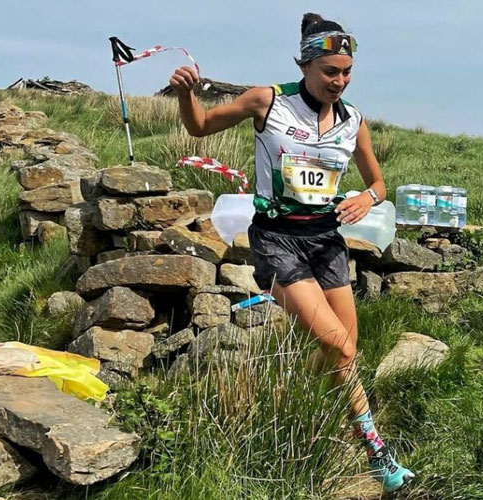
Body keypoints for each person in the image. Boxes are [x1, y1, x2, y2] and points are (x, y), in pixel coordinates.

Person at [169, 12, 415, 493]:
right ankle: (378, 457)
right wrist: (184, 95)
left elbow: (378, 182)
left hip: (327, 240)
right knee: (338, 346)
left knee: (344, 355)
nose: (338, 81)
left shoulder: (353, 122)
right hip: (278, 241)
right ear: (304, 65)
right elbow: (199, 128)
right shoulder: (269, 101)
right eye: (329, 71)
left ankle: (288, 404)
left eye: (346, 72)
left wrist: (369, 197)